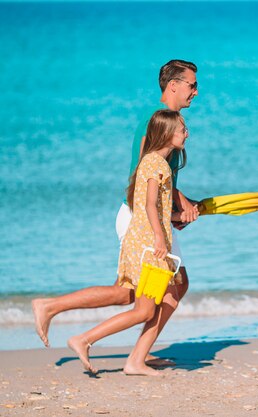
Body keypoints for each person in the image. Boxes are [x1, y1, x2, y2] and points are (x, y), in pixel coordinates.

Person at [32, 60, 199, 366]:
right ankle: (126, 353)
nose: (196, 92)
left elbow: (164, 180)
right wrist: (165, 221)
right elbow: (144, 174)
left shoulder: (171, 122)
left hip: (152, 219)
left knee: (139, 294)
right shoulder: (159, 120)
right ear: (173, 84)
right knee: (141, 296)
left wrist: (181, 204)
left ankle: (132, 353)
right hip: (141, 220)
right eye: (192, 84)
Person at [68, 109, 188, 375]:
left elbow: (157, 204)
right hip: (149, 247)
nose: (186, 133)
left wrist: (180, 215)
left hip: (151, 243)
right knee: (144, 311)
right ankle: (84, 339)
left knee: (170, 297)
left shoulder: (155, 162)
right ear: (167, 134)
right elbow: (147, 205)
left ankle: (136, 360)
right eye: (182, 129)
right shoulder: (156, 164)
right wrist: (159, 236)